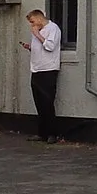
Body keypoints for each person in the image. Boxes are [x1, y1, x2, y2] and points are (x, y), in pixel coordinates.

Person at [23, 8, 62, 143]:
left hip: (48, 70)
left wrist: (38, 35)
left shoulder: (53, 29)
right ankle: (42, 133)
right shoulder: (37, 31)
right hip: (36, 69)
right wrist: (30, 47)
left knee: (47, 102)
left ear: (39, 18)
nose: (32, 25)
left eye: (33, 22)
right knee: (39, 102)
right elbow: (40, 47)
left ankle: (52, 133)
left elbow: (50, 46)